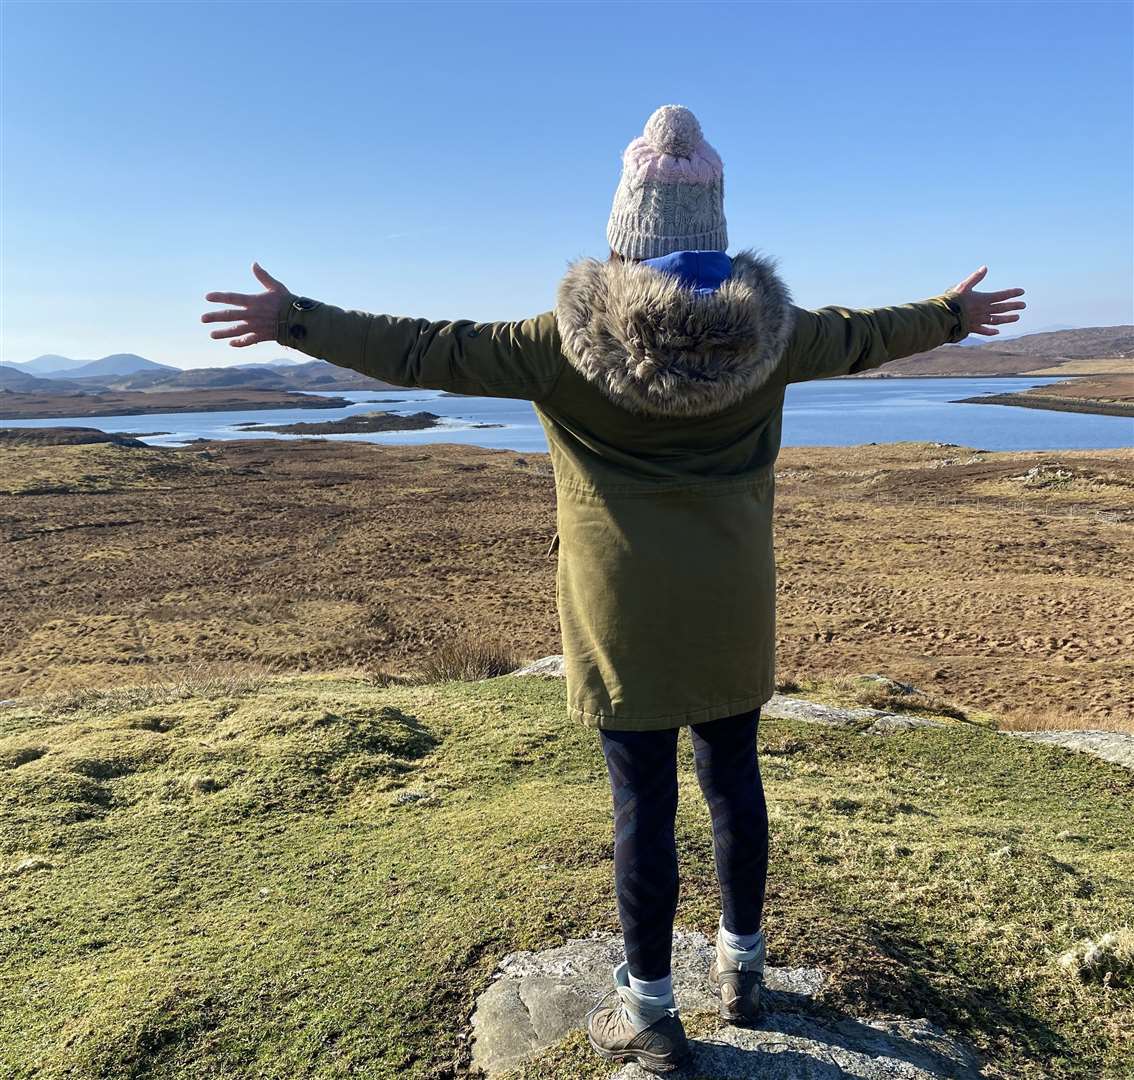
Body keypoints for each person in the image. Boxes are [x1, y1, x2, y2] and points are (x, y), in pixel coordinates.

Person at [202, 104, 1025, 1073]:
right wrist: (952, 317)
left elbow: (423, 349)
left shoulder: (556, 341)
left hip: (617, 605)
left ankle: (650, 1010)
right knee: (734, 780)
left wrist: (296, 318)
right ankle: (745, 972)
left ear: (621, 232)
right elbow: (866, 334)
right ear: (716, 229)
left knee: (641, 802)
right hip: (731, 598)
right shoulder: (778, 333)